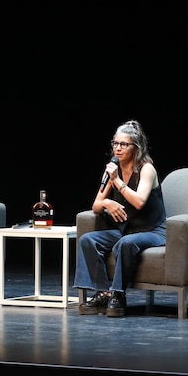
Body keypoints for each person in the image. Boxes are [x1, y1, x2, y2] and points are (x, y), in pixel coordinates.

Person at [73, 120, 167, 317]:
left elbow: (139, 201)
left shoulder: (146, 169)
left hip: (153, 231)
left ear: (136, 147)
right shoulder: (111, 170)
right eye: (115, 143)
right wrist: (108, 203)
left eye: (124, 144)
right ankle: (104, 293)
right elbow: (96, 205)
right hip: (127, 230)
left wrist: (117, 181)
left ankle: (119, 295)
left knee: (125, 243)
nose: (118, 148)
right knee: (88, 240)